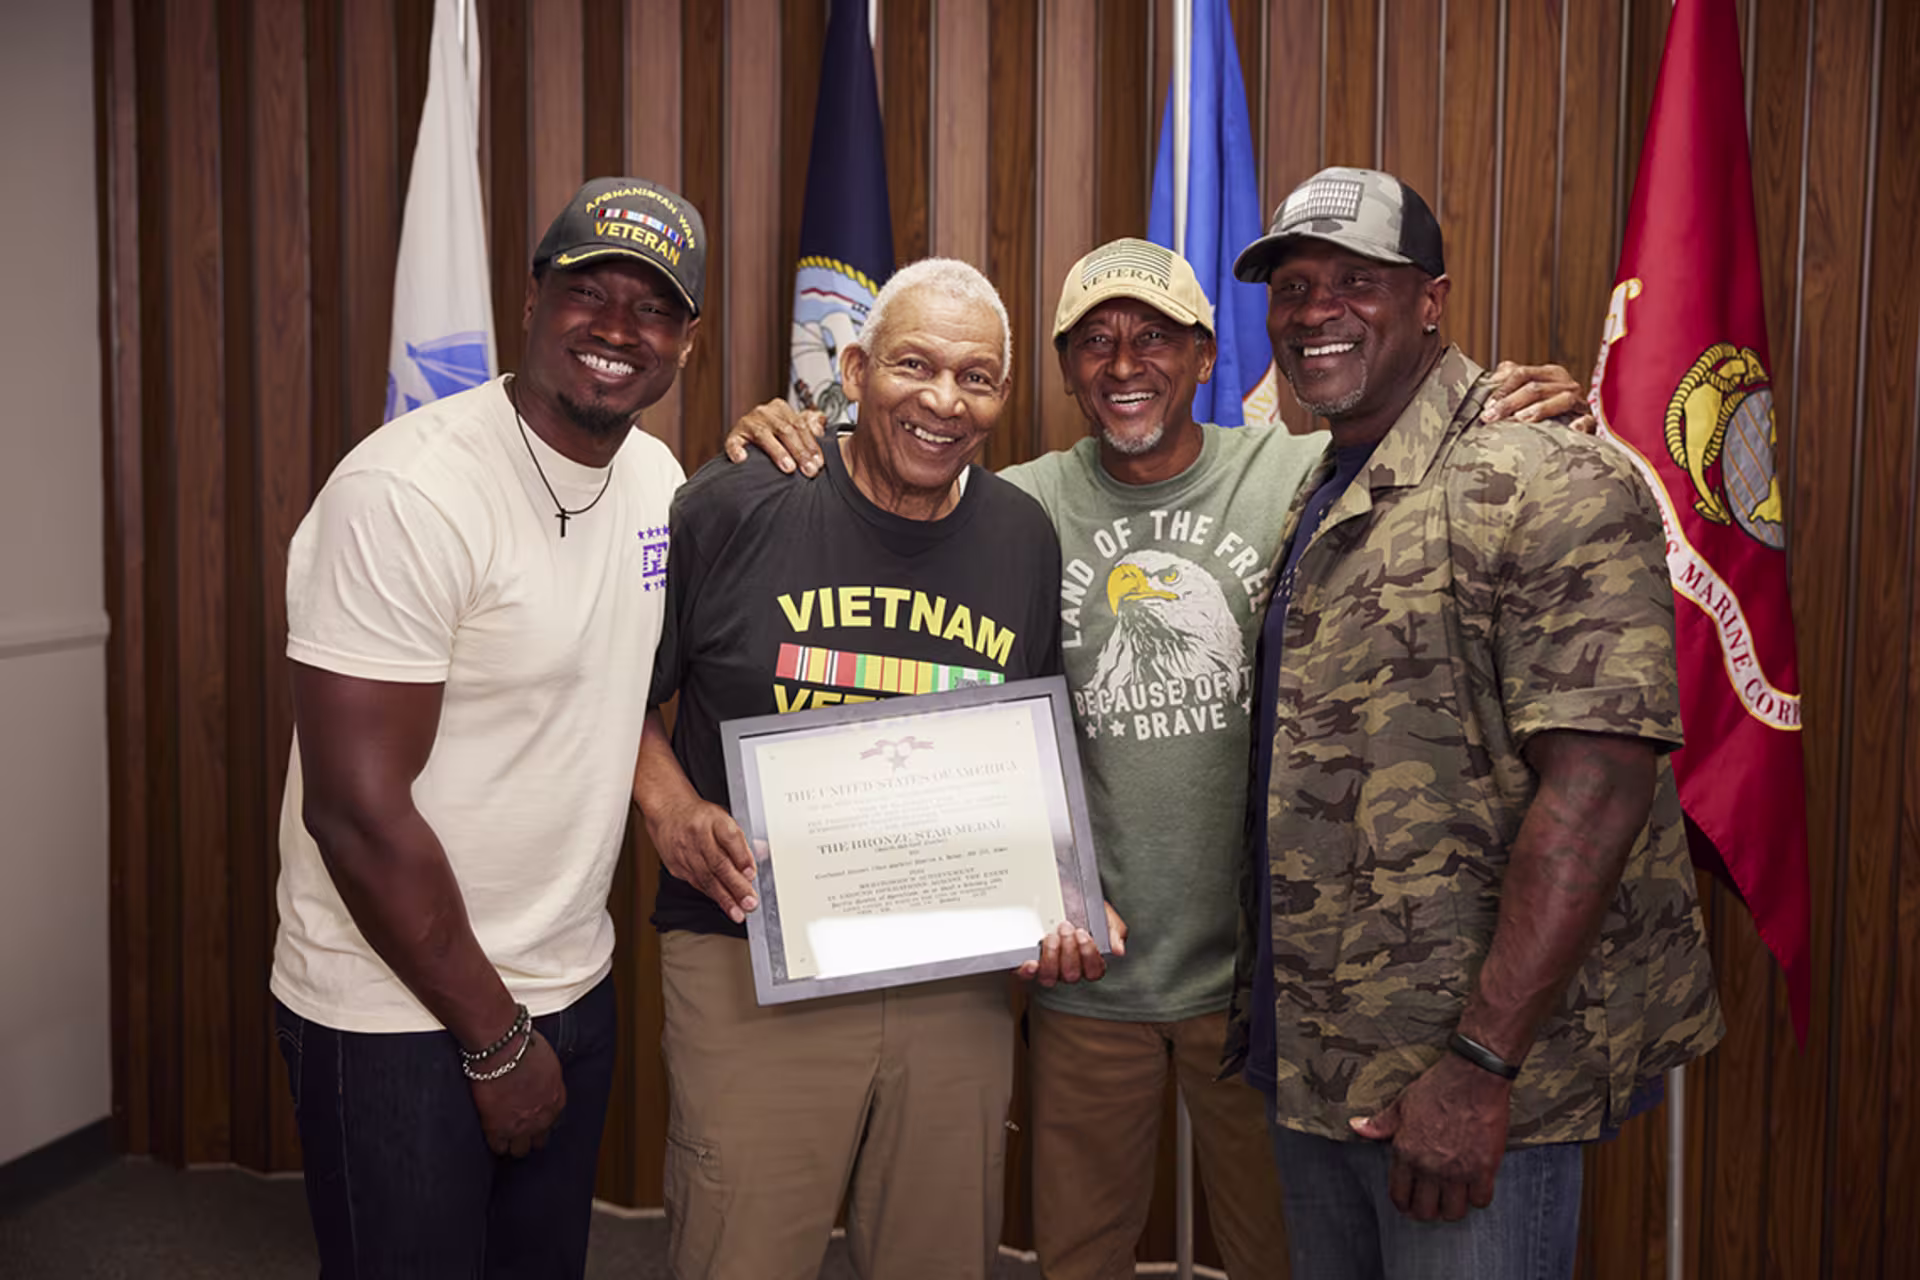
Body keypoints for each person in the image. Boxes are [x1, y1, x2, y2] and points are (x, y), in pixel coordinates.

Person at [726, 239, 1590, 1279]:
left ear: (1206, 357)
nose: (1124, 363)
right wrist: (793, 425)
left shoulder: (1295, 473)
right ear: (1061, 368)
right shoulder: (1015, 505)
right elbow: (884, 492)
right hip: (1091, 972)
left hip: (1263, 986)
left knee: (1285, 1254)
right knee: (1079, 1259)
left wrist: (1545, 400)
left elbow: (1441, 460)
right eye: (1094, 341)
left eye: (1154, 338)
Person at [1225, 166, 1724, 1279]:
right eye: (1294, 286)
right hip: (1320, 1051)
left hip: (1471, 1086)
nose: (1316, 312)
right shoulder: (1316, 479)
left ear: (1432, 300)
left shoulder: (1551, 475)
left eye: (1357, 281)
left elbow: (1600, 788)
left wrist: (1478, 1066)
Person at [634, 257, 1111, 1280]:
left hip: (951, 968)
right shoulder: (735, 504)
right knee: (740, 1251)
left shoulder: (1023, 537)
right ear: (853, 368)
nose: (944, 400)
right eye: (914, 365)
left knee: (940, 1253)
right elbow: (618, 700)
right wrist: (672, 811)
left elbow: (1022, 753)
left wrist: (1067, 895)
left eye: (977, 377)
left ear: (1001, 399)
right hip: (750, 947)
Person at [269, 176, 704, 1277]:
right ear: (530, 299)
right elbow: (355, 813)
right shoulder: (408, 492)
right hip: (399, 1007)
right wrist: (496, 1037)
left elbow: (613, 692)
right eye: (587, 291)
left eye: (651, 306)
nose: (616, 327)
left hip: (570, 979)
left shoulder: (657, 477)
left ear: (687, 343)